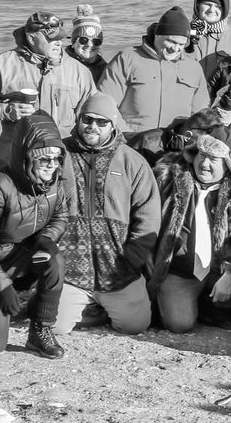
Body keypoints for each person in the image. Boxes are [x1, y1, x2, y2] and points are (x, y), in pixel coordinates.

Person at [0, 113, 70, 357]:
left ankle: (40, 330)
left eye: (56, 158)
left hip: (24, 256)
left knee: (55, 261)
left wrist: (47, 238)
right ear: (26, 156)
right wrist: (2, 284)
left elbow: (61, 217)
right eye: (43, 159)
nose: (51, 165)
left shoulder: (55, 182)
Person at [55, 91, 161, 336]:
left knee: (135, 325)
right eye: (87, 119)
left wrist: (133, 257)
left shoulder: (132, 161)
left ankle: (103, 305)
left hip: (117, 269)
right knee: (56, 327)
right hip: (70, 270)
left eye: (102, 122)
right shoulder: (59, 155)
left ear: (113, 125)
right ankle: (86, 303)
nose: (93, 126)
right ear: (78, 119)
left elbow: (149, 214)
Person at [147, 130, 231, 332]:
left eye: (213, 159)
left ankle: (212, 309)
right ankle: (182, 305)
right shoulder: (169, 179)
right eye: (202, 156)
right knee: (179, 325)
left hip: (218, 270)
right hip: (178, 272)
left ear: (227, 164)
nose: (205, 165)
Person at [99, 7, 212, 157]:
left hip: (176, 151)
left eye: (181, 44)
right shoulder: (127, 58)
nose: (176, 49)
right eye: (171, 42)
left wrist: (189, 139)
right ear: (158, 35)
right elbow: (105, 104)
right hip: (131, 146)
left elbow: (201, 114)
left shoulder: (193, 67)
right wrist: (126, 137)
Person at [0, 12, 94, 139]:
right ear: (32, 38)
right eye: (52, 38)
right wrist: (7, 110)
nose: (59, 43)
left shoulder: (80, 72)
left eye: (60, 38)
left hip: (58, 153)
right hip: (12, 153)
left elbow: (92, 116)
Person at [187, 0, 231, 86]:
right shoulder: (183, 32)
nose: (212, 10)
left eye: (218, 6)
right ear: (197, 5)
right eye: (207, 4)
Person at [66, 5, 107, 78]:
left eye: (96, 41)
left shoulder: (107, 70)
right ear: (74, 42)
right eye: (83, 40)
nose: (90, 45)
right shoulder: (63, 64)